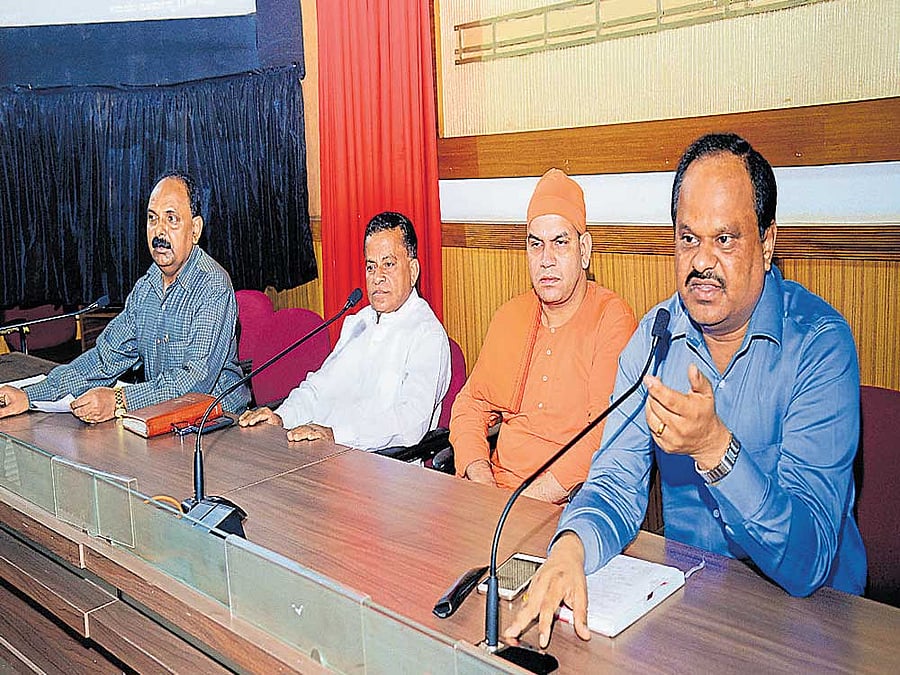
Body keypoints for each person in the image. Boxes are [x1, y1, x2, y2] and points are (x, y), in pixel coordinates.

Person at [506, 133, 867, 648]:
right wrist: (570, 548)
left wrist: (717, 451)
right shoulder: (653, 342)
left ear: (767, 243)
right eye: (688, 238)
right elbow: (613, 485)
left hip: (814, 622)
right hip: (691, 607)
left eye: (725, 239)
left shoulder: (819, 347)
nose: (701, 261)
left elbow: (809, 561)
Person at [450, 168, 637, 503]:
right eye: (536, 245)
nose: (546, 260)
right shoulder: (512, 315)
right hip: (494, 497)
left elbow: (603, 436)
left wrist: (520, 509)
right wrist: (479, 475)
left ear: (584, 249)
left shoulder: (611, 318)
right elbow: (470, 405)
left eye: (560, 243)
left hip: (568, 503)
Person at [0, 171, 249, 422]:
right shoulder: (145, 288)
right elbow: (103, 360)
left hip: (217, 425)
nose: (159, 232)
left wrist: (120, 401)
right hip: (161, 421)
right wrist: (29, 396)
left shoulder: (212, 285)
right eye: (152, 219)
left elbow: (195, 381)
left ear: (195, 229)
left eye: (171, 219)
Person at [238, 211, 451, 451]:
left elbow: (410, 422)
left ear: (413, 271)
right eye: (371, 267)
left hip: (387, 470)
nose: (377, 277)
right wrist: (282, 418)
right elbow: (318, 389)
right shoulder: (359, 322)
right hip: (330, 457)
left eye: (389, 264)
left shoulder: (427, 334)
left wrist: (335, 434)